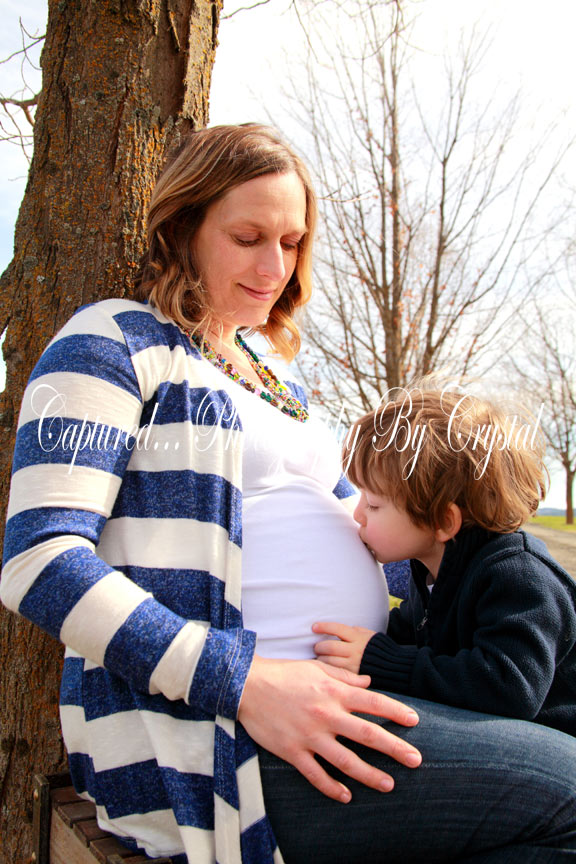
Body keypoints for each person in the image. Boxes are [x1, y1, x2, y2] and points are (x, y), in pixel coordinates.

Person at [1, 124, 576, 864]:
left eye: (293, 242)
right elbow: (40, 561)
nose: (275, 266)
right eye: (248, 238)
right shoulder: (113, 342)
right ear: (183, 228)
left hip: (357, 696)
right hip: (224, 738)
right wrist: (243, 683)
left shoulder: (280, 381)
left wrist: (506, 579)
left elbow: (384, 539)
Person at [313, 388, 576, 737]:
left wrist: (379, 660)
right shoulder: (433, 570)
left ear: (442, 521)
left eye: (374, 505)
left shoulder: (518, 577)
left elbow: (508, 686)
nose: (357, 514)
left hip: (554, 747)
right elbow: (409, 631)